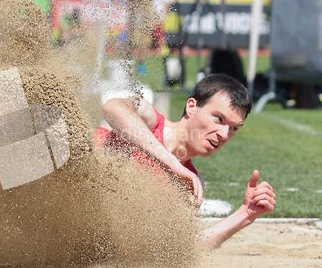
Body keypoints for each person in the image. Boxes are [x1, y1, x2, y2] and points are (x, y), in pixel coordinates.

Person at [97, 74, 276, 249]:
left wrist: (245, 214)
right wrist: (171, 162)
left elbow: (178, 248)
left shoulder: (190, 185)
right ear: (192, 106)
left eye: (233, 128)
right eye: (218, 119)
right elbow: (112, 108)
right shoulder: (148, 119)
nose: (224, 134)